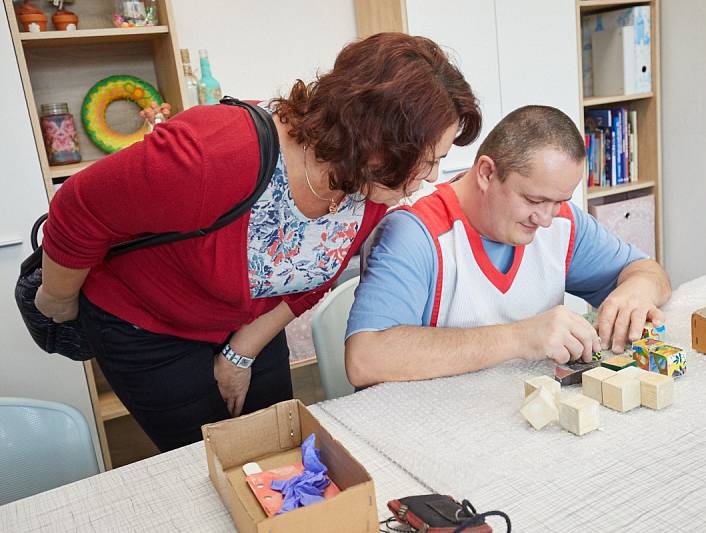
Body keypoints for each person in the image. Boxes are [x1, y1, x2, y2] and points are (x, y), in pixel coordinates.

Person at [35, 32, 481, 451]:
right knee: (205, 461)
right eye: (427, 161)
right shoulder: (216, 154)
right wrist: (56, 298)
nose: (431, 179)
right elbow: (78, 207)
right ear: (375, 139)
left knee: (277, 450)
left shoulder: (370, 188)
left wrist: (240, 352)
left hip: (246, 322)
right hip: (148, 327)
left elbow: (313, 277)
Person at [345, 105, 671, 387]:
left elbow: (647, 271)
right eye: (533, 199)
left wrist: (638, 291)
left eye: (559, 201)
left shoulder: (562, 221)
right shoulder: (415, 233)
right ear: (487, 173)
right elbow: (365, 358)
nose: (545, 218)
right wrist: (519, 338)